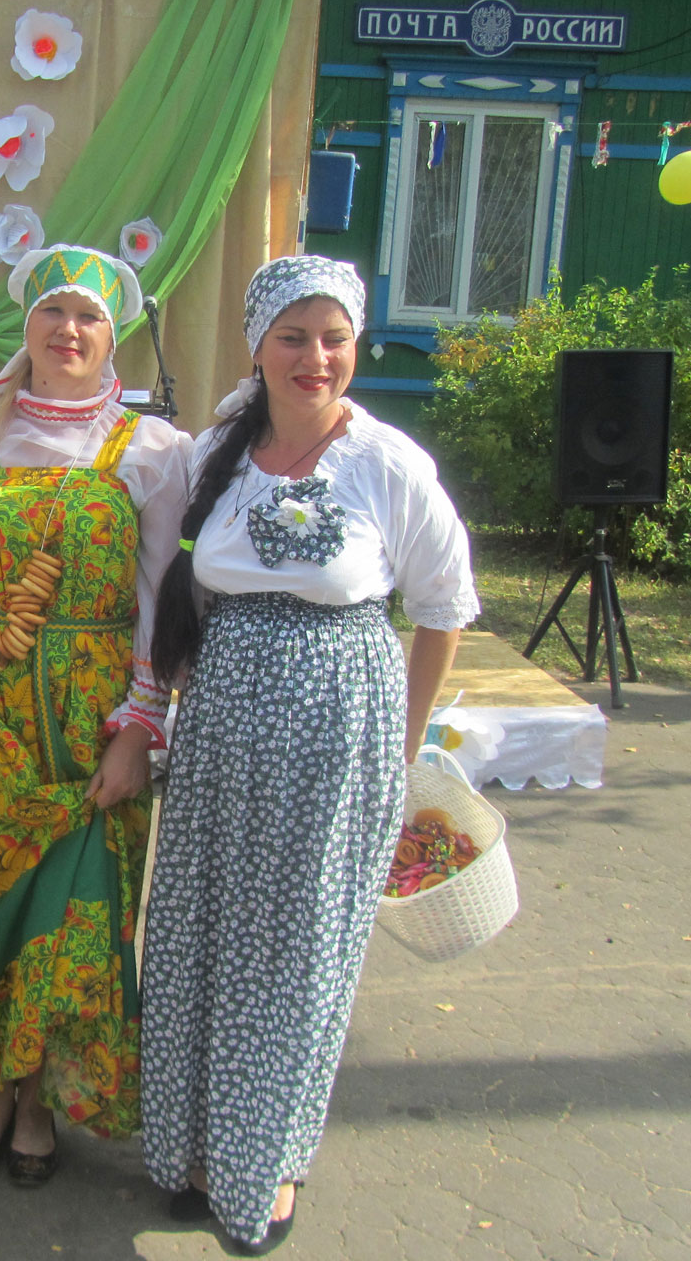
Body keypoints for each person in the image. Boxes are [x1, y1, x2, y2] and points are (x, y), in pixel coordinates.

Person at [139, 256, 479, 1256]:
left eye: (334, 337)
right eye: (293, 336)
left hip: (339, 732)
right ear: (258, 345)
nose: (315, 358)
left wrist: (401, 745)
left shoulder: (387, 462)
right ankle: (194, 1147)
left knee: (294, 956)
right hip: (222, 735)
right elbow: (186, 589)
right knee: (199, 937)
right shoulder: (217, 454)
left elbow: (446, 608)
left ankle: (269, 1161)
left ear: (357, 346)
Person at [0, 245, 191, 1187]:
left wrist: (138, 727)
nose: (68, 333)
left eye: (90, 319)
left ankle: (39, 1102)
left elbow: (162, 599)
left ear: (115, 338)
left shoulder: (153, 452)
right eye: (53, 315)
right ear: (22, 328)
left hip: (93, 731)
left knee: (77, 923)